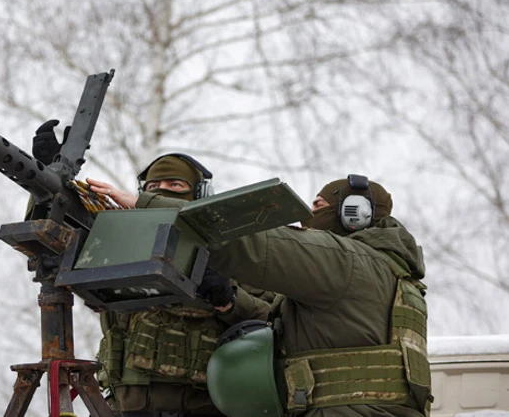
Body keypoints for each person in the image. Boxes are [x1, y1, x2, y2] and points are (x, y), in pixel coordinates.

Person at [132, 174, 433, 417]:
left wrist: (149, 206)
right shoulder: (397, 279)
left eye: (318, 206)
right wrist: (230, 302)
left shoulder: (347, 263)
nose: (308, 217)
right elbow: (293, 332)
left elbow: (251, 245)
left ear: (356, 213)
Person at [86, 153, 276, 417]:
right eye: (154, 188)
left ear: (200, 195)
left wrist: (228, 299)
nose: (163, 192)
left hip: (208, 408)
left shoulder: (233, 255)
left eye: (176, 185)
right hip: (126, 408)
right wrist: (48, 180)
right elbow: (58, 239)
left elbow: (277, 320)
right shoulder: (122, 244)